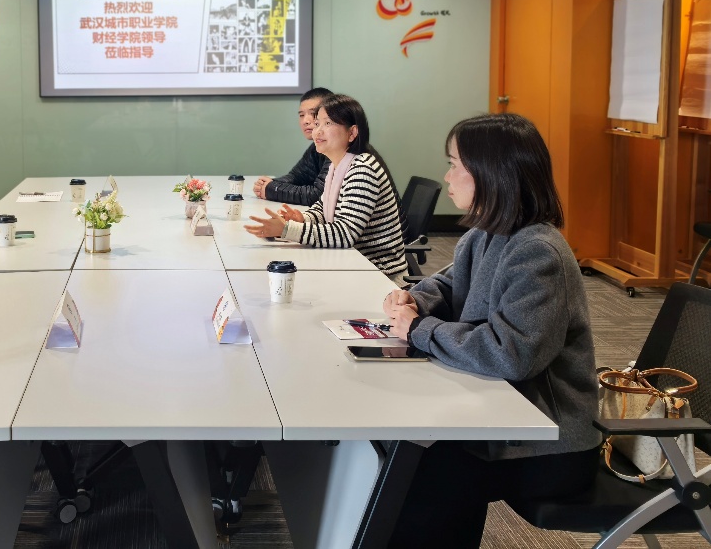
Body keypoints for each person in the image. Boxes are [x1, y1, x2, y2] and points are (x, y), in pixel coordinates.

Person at [382, 113, 600, 549]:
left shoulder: (537, 252)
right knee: (406, 458)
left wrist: (420, 329)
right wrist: (415, 300)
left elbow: (509, 354)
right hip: (506, 418)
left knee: (420, 474)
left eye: (455, 165)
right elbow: (448, 285)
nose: (448, 177)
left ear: (491, 174)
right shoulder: (485, 234)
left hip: (549, 444)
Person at [245, 94, 407, 276]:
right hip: (354, 265)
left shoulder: (363, 169)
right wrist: (303, 218)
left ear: (352, 133)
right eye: (317, 124)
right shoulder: (338, 165)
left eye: (328, 123)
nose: (317, 131)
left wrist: (287, 230)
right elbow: (323, 209)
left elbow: (345, 234)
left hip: (381, 275)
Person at [252, 87, 333, 205]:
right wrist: (269, 184)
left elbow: (318, 195)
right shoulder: (316, 147)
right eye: (301, 115)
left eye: (313, 113)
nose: (306, 120)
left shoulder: (339, 147)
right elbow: (296, 177)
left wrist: (272, 189)